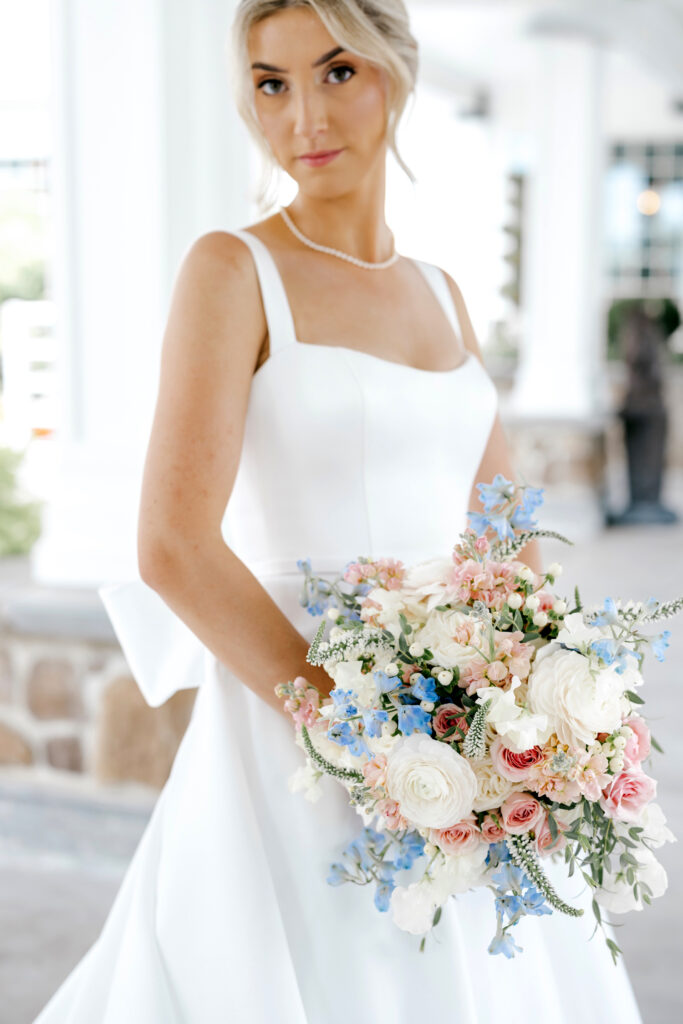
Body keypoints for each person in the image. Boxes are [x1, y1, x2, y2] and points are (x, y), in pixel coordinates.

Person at [34, 2, 644, 1021]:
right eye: (270, 83)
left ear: (395, 75)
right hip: (296, 725)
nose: (302, 116)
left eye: (334, 72)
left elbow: (503, 530)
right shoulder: (233, 271)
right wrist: (351, 726)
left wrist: (532, 701)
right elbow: (172, 543)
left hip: (454, 721)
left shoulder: (442, 295)